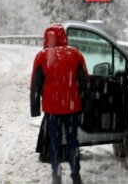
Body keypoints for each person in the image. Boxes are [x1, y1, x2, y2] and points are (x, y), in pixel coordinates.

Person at [30, 23, 90, 184]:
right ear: (64, 36)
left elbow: (35, 84)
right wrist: (87, 104)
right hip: (72, 107)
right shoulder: (75, 54)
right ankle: (76, 176)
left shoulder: (42, 56)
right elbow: (85, 82)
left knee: (55, 143)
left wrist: (35, 108)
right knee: (72, 142)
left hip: (52, 109)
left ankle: (56, 177)